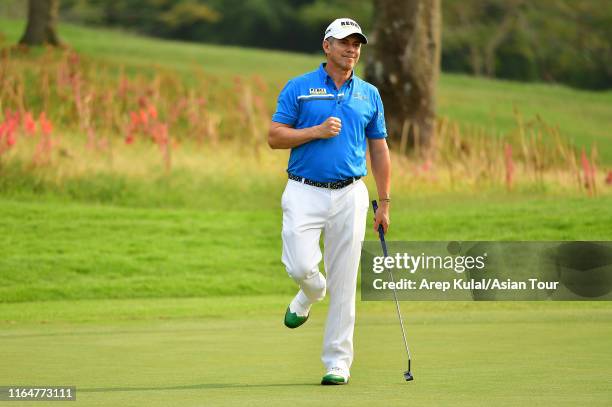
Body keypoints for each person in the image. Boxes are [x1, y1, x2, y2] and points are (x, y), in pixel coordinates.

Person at [268, 17, 391, 385]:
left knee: (345, 279)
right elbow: (275, 136)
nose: (352, 49)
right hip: (304, 190)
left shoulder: (369, 94)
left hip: (352, 193)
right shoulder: (300, 88)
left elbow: (380, 148)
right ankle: (310, 293)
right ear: (327, 46)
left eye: (357, 44)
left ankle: (338, 362)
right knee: (300, 266)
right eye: (344, 42)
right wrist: (316, 132)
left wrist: (384, 202)